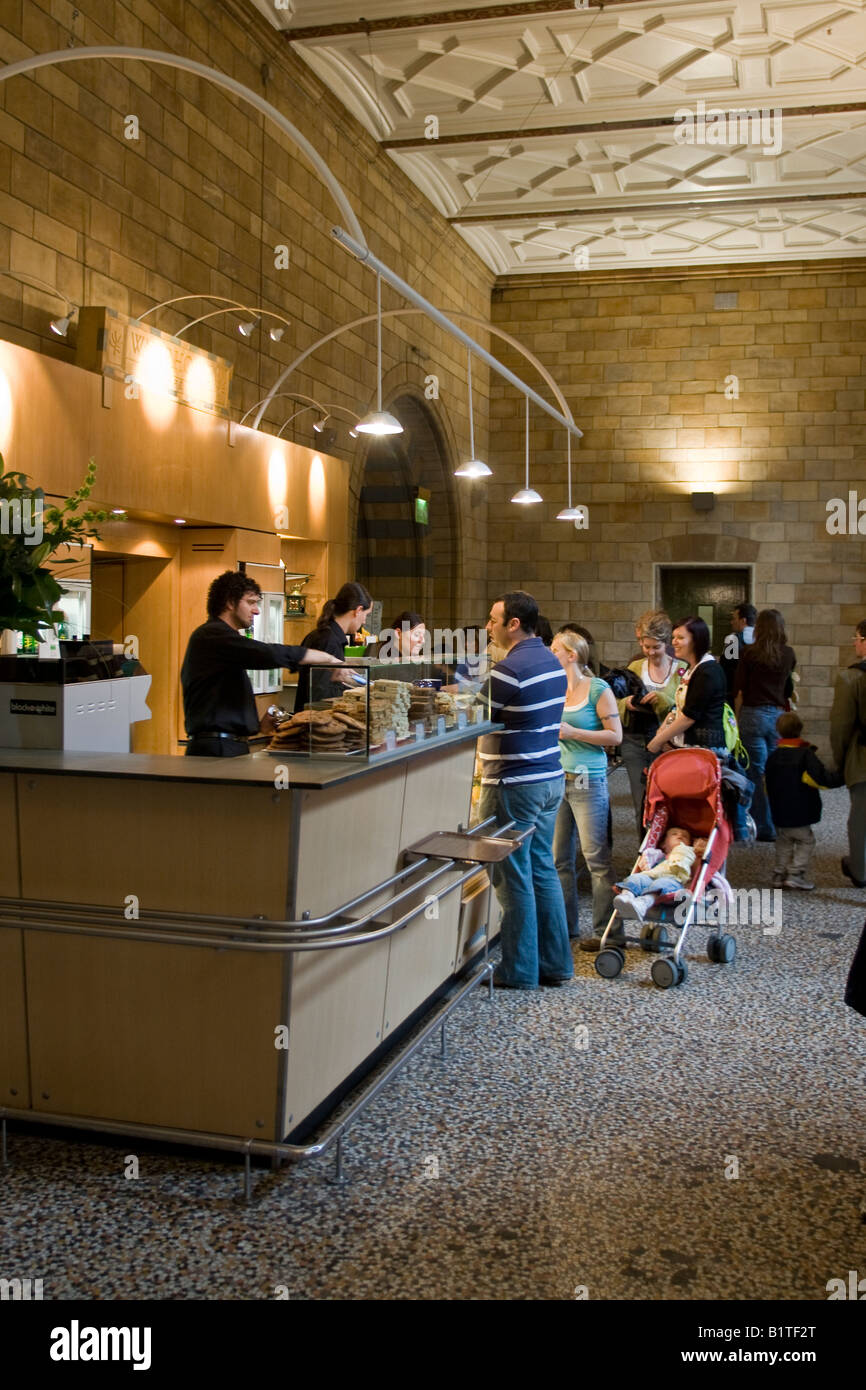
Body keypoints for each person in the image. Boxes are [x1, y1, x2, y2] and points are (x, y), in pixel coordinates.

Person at [477, 591, 573, 989]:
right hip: (550, 778)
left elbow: (473, 716)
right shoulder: (551, 661)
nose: (488, 626)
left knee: (511, 874)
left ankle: (518, 970)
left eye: (493, 619)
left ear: (513, 624)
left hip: (513, 783)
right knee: (541, 869)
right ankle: (555, 963)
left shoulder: (509, 670)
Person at [181, 571, 343, 757]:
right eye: (251, 602)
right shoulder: (212, 635)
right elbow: (268, 653)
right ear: (229, 602)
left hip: (225, 746)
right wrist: (328, 659)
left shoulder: (219, 638)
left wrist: (256, 725)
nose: (257, 610)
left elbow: (219, 703)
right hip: (216, 750)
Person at [550, 629, 621, 950]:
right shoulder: (552, 688)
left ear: (572, 655)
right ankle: (566, 929)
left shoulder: (597, 689)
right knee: (558, 859)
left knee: (597, 859)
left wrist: (573, 731)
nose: (550, 654)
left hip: (588, 780)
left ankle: (607, 933)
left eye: (555, 649)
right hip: (556, 778)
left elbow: (614, 736)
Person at [616, 611, 686, 834]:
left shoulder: (682, 668)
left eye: (656, 647)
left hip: (668, 743)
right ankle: (643, 856)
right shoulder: (635, 667)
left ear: (667, 642)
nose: (650, 652)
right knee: (642, 801)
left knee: (669, 801)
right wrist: (627, 703)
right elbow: (615, 700)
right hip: (635, 741)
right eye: (645, 647)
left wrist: (665, 701)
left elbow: (689, 707)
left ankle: (669, 849)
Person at [733, 608, 797, 841]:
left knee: (755, 773)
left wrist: (737, 723)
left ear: (758, 628)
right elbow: (788, 688)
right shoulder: (789, 654)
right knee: (774, 771)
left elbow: (739, 691)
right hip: (777, 718)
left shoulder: (749, 653)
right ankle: (779, 820)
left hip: (753, 714)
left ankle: (764, 825)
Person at [765, 712, 842, 890]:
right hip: (800, 811)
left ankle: (779, 874)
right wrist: (843, 777)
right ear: (800, 730)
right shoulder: (805, 755)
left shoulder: (773, 756)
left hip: (779, 811)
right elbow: (821, 779)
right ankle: (795, 874)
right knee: (806, 841)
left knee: (783, 841)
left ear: (778, 731)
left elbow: (767, 785)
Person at [293, 581, 373, 713]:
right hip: (316, 723)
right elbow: (320, 695)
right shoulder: (329, 641)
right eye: (366, 615)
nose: (364, 621)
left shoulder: (323, 635)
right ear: (358, 611)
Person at [830, 620, 866, 888]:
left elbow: (841, 726)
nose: (854, 642)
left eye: (856, 637)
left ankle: (861, 871)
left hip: (863, 757)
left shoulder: (852, 677)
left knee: (861, 819)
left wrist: (841, 761)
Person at [613, 828, 702, 921]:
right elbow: (645, 865)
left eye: (685, 836)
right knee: (636, 878)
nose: (680, 836)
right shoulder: (657, 856)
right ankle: (626, 897)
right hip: (652, 876)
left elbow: (696, 872)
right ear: (664, 844)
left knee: (661, 884)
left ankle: (643, 903)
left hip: (674, 881)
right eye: (674, 834)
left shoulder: (690, 856)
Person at [719, 603, 757, 697]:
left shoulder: (732, 640)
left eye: (734, 618)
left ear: (743, 621)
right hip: (757, 695)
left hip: (736, 694)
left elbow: (725, 670)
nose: (731, 622)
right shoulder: (763, 640)